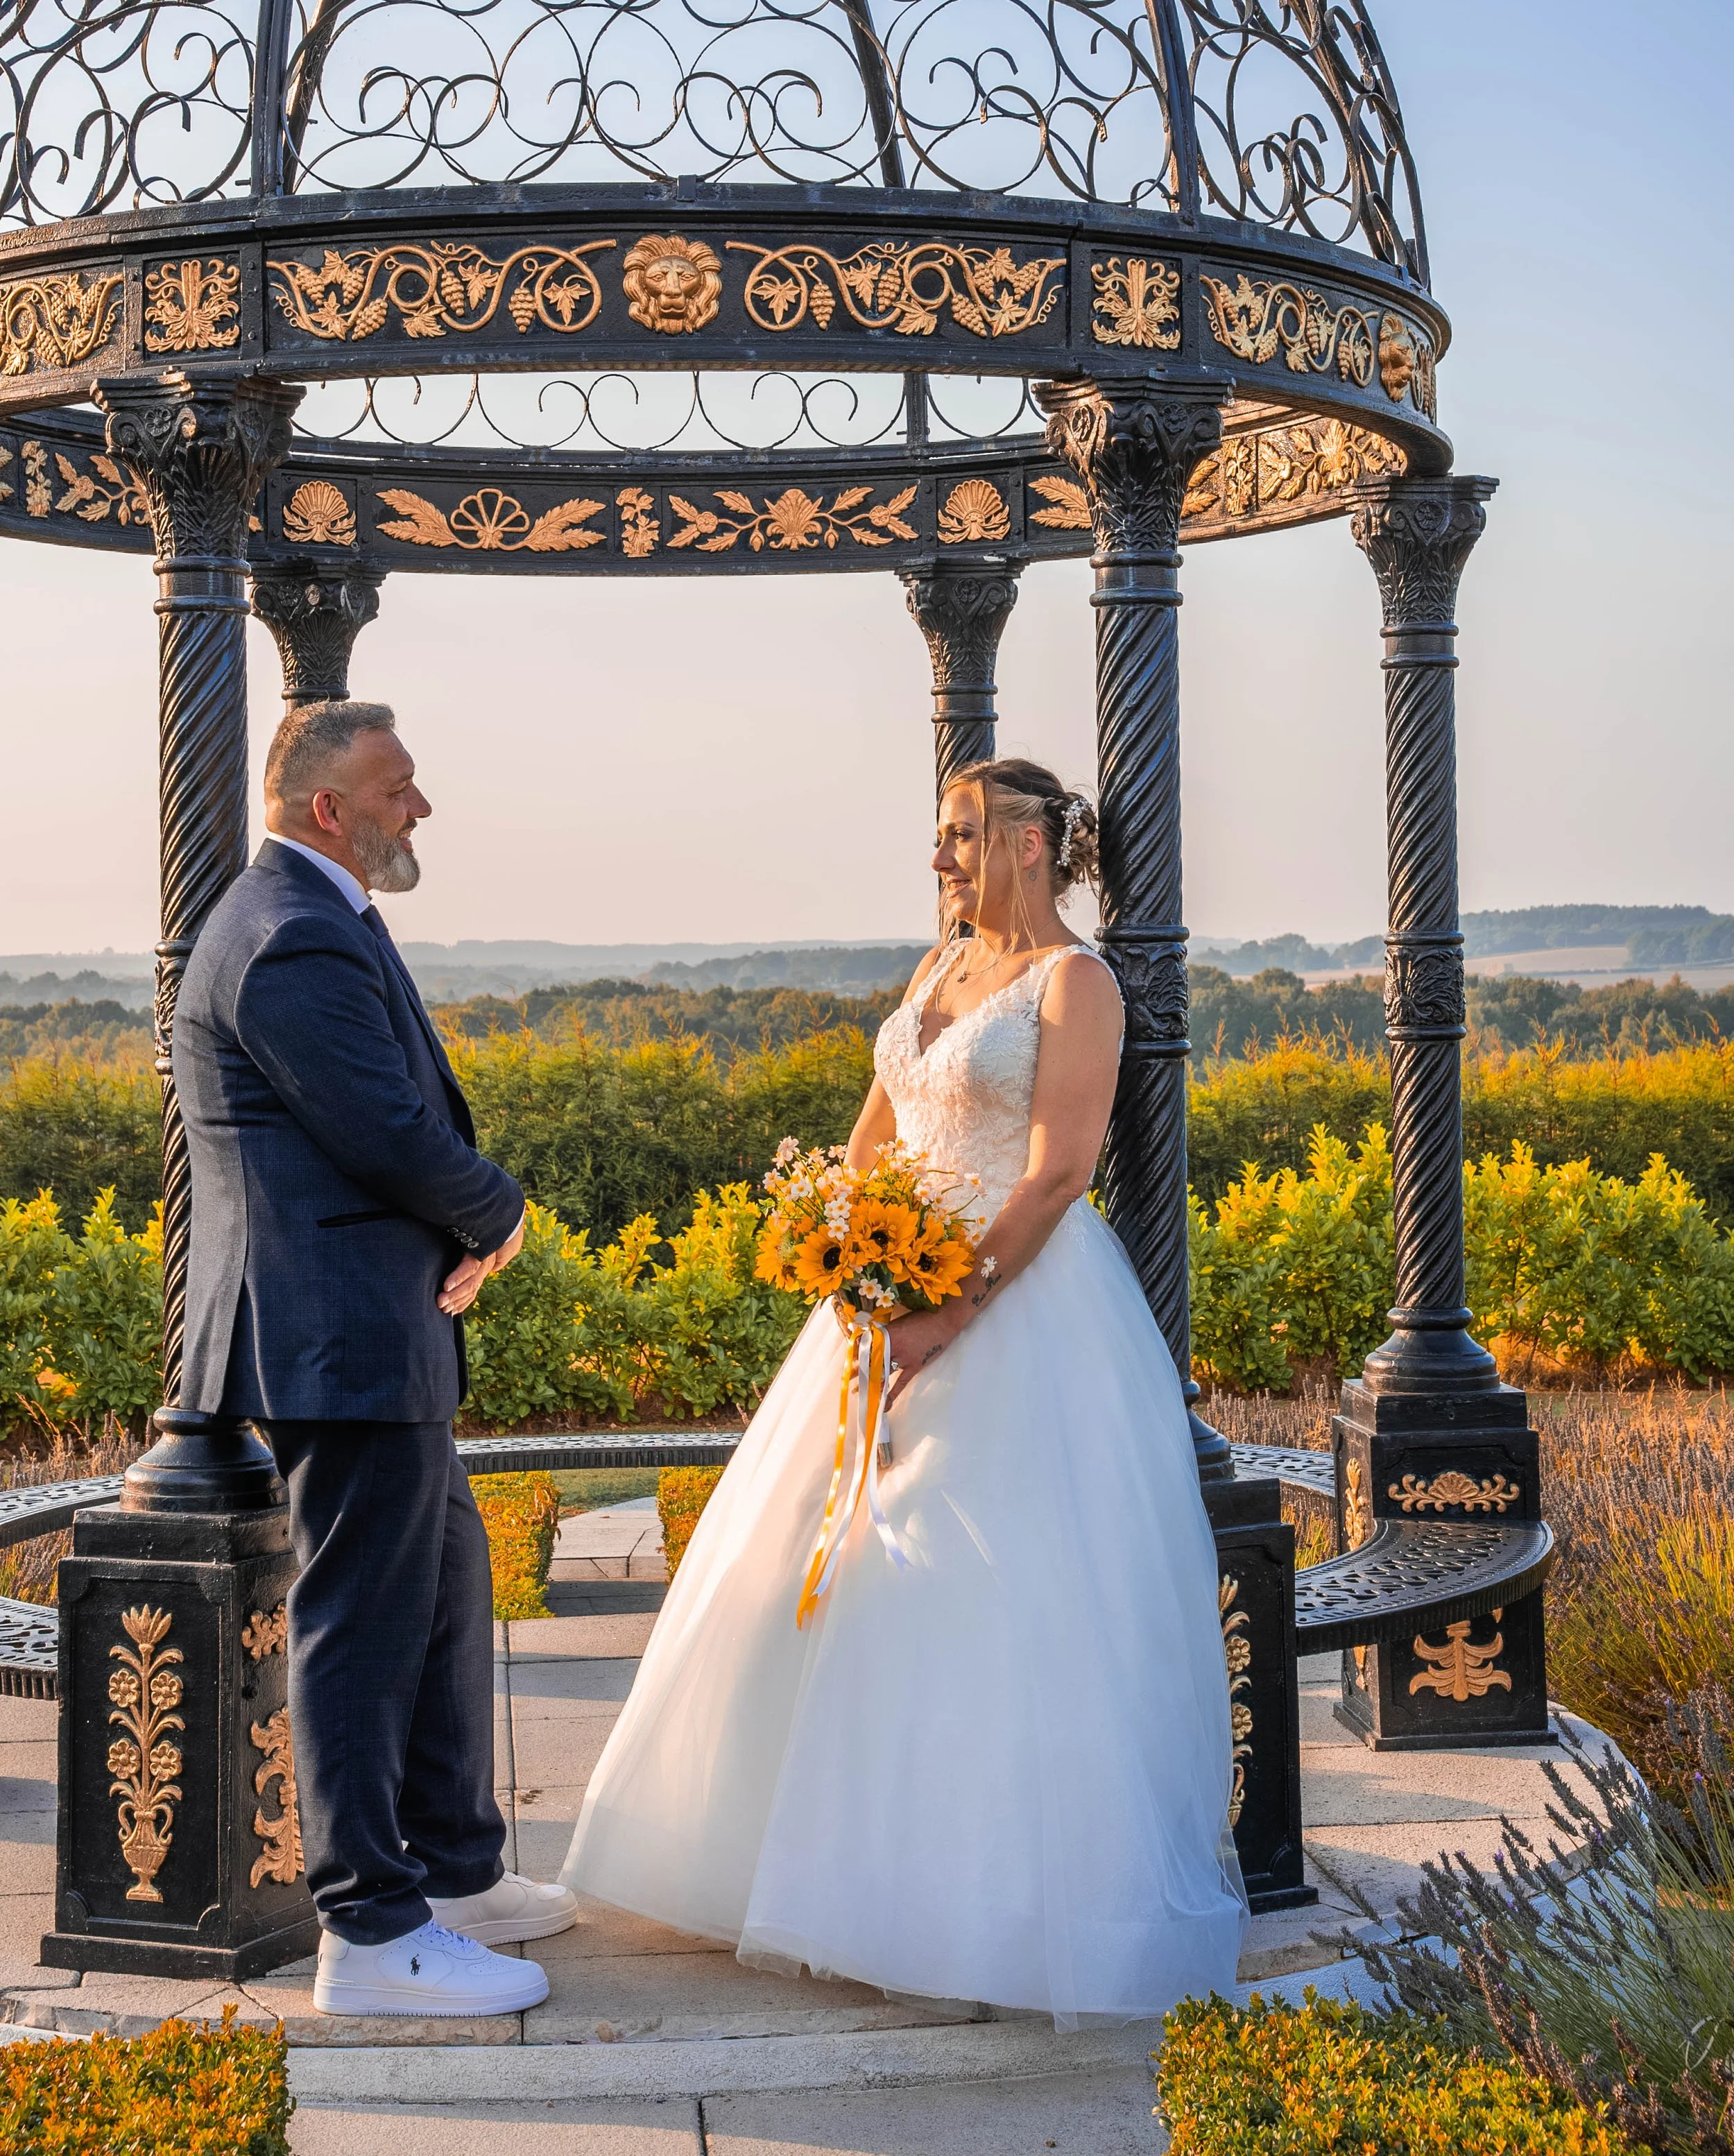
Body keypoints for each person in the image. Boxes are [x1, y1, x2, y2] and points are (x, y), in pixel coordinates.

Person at [561, 756, 1247, 2028]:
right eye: (940, 833)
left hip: (1019, 1304)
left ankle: (977, 1903)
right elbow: (875, 1138)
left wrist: (950, 1305)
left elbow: (1055, 1174)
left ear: (1033, 844)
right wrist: (852, 1248)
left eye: (963, 832)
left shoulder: (1075, 983)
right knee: (826, 1572)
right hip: (883, 1301)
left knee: (979, 1583)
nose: (941, 856)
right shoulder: (939, 969)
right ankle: (815, 1871)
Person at [174, 700, 578, 2018]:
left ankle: (456, 1868)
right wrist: (499, 1213)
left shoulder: (312, 907)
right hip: (335, 1330)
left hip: (362, 1318)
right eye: (398, 786)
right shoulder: (289, 932)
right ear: (325, 807)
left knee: (450, 1575)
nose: (422, 805)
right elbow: (388, 1130)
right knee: (358, 1622)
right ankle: (375, 1933)